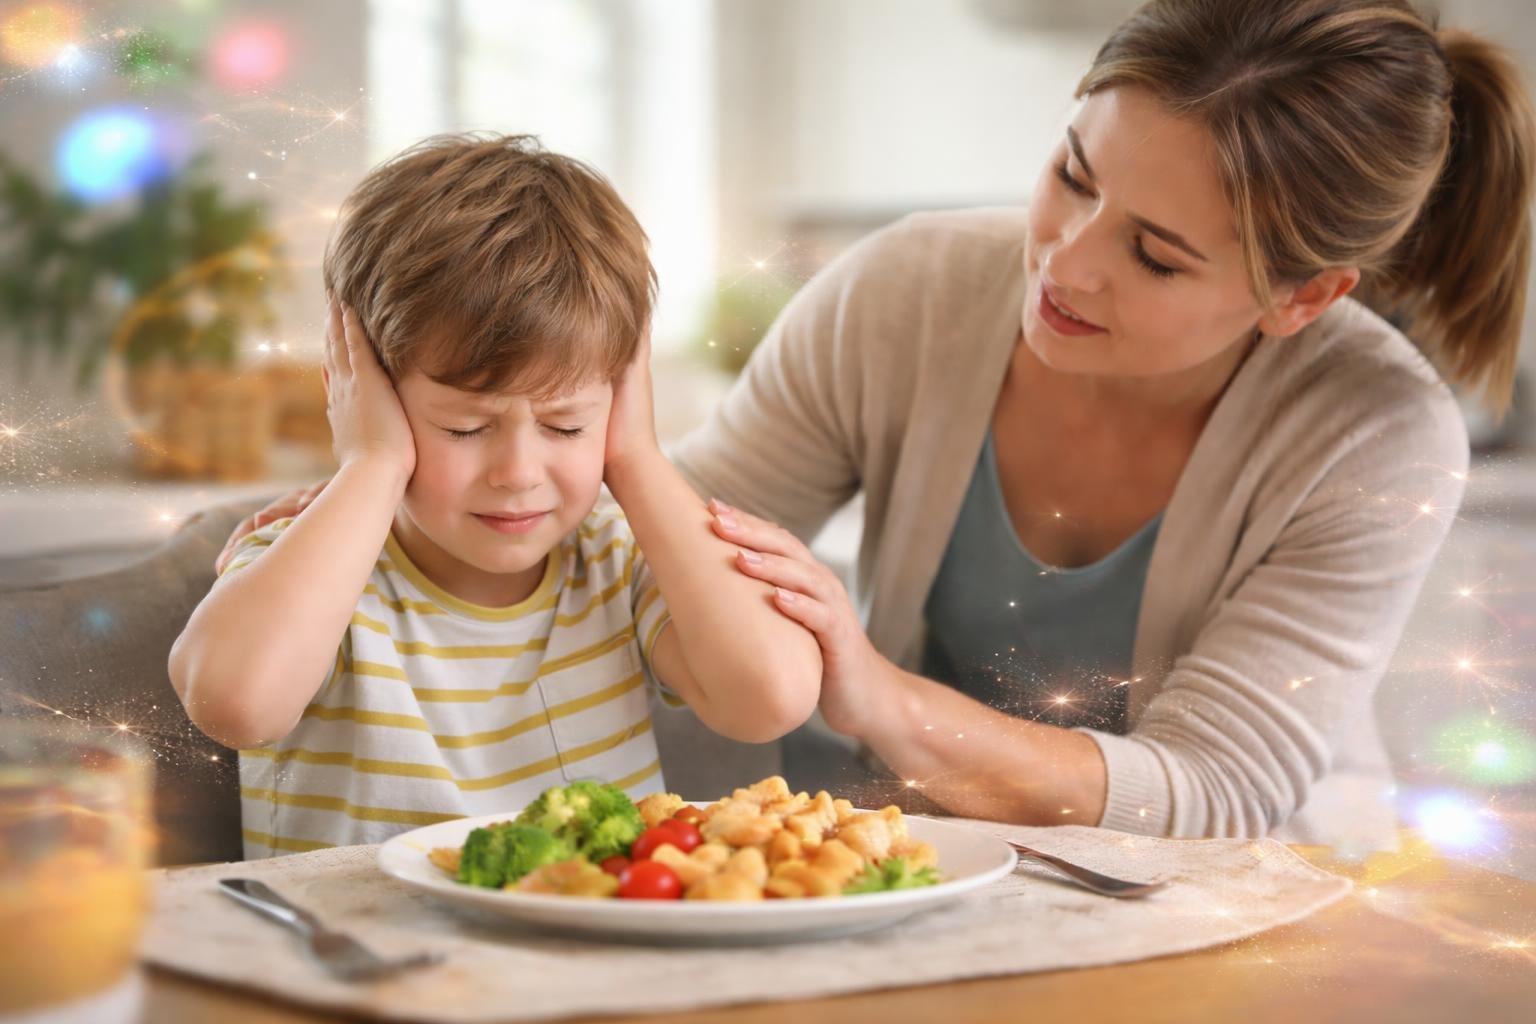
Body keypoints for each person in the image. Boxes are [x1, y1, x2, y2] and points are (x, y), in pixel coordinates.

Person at [220, 0, 1534, 852]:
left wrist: (877, 696)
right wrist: (385, 483)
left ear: (1304, 297)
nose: (1065, 266)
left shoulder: (1376, 435)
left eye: (1157, 254)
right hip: (916, 863)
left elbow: (1223, 793)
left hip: (1239, 897)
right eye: (1071, 174)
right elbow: (665, 551)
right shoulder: (911, 288)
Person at [174, 135, 821, 858]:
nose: (518, 470)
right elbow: (235, 706)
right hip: (360, 962)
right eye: (465, 426)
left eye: (565, 424)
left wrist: (636, 457)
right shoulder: (310, 565)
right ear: (361, 400)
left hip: (584, 955)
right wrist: (372, 463)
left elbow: (771, 700)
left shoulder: (616, 563)